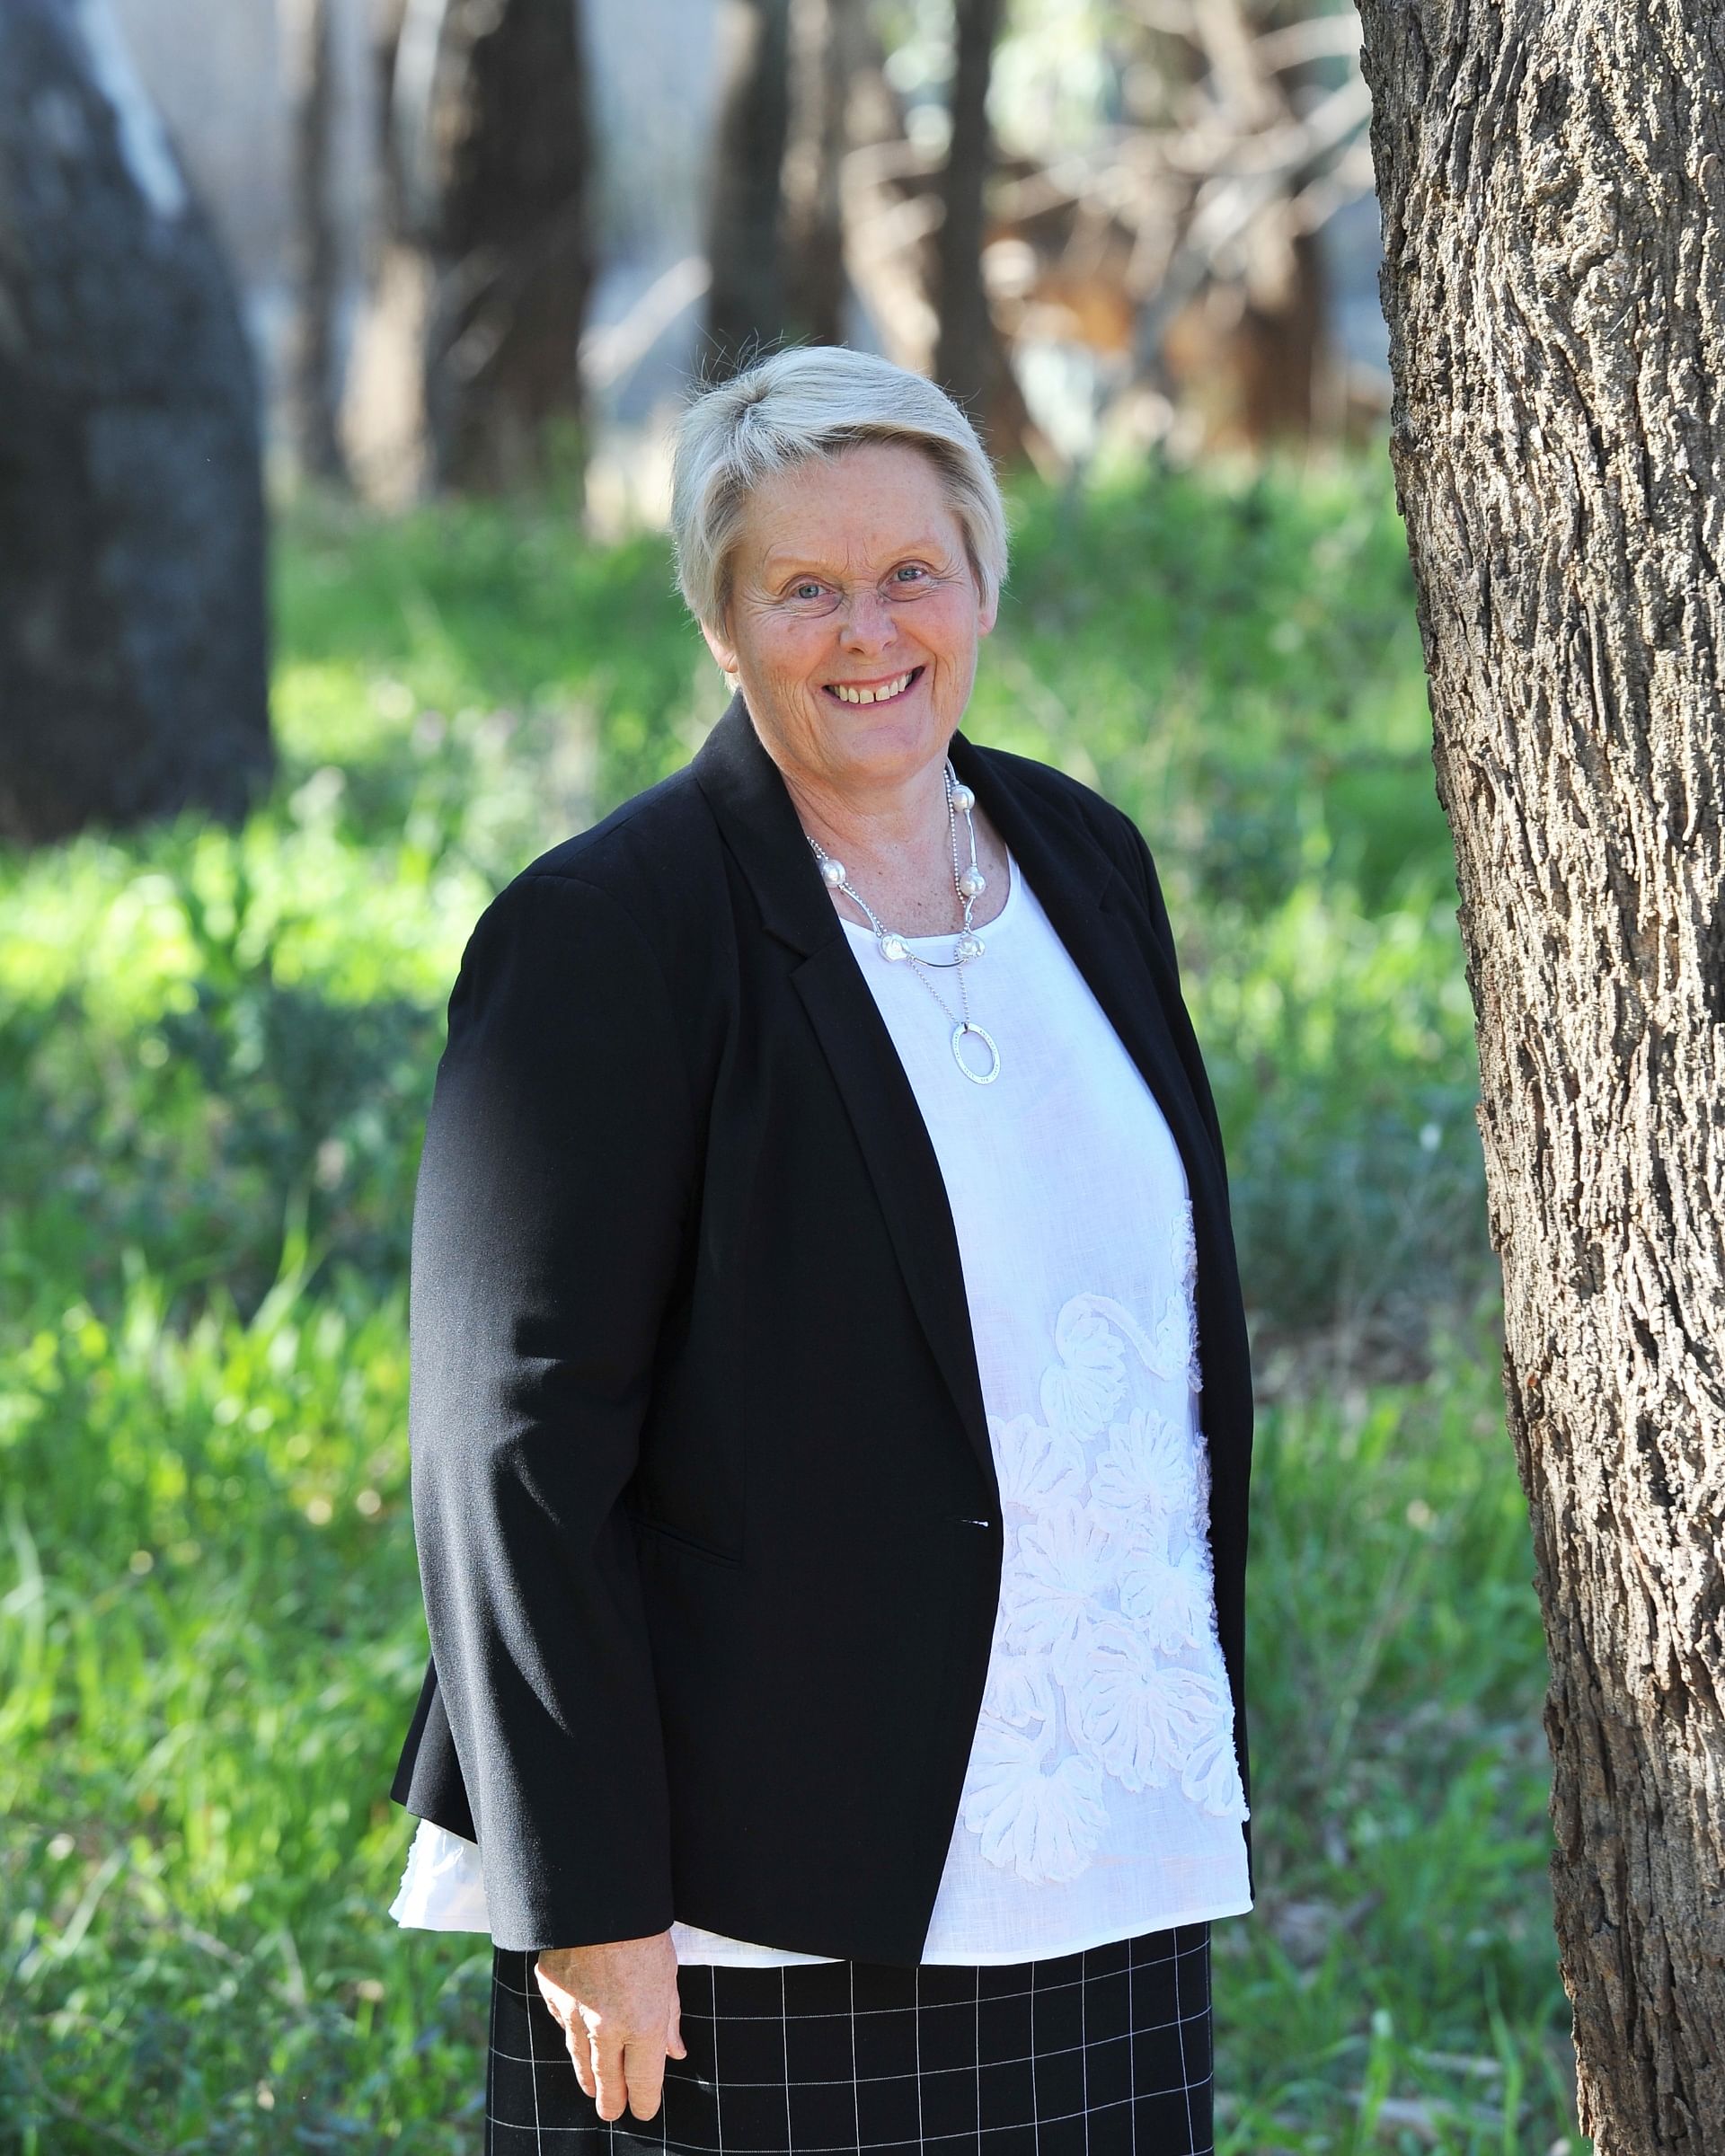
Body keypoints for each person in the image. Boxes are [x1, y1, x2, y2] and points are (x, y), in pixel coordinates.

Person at [385, 344, 1256, 2156]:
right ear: (722, 625)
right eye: (803, 588)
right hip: (742, 1903)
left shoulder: (1087, 861)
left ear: (983, 585)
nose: (870, 632)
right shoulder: (608, 931)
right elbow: (511, 1448)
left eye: (912, 571)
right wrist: (589, 1897)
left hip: (1107, 1836)